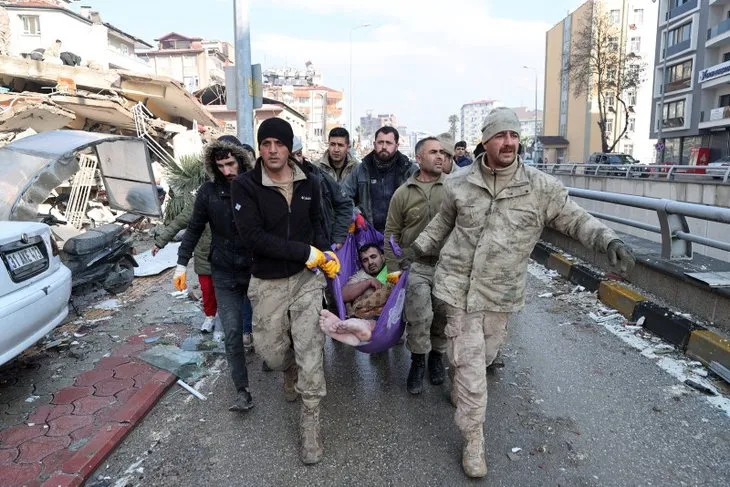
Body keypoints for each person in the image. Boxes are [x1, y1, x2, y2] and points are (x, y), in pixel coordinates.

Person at [406, 107, 636, 478]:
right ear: (485, 140)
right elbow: (442, 223)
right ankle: (473, 440)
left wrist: (608, 239)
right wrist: (418, 248)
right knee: (470, 368)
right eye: (501, 135)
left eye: (514, 136)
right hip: (458, 288)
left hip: (501, 291)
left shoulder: (540, 188)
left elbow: (575, 218)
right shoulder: (458, 183)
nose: (509, 142)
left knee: (486, 354)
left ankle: (461, 376)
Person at [231, 118, 339, 465]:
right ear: (259, 148)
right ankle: (288, 370)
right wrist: (305, 251)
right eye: (266, 144)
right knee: (272, 353)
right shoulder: (245, 186)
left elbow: (318, 223)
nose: (273, 150)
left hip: (307, 281)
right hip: (267, 282)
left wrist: (326, 250)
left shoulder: (311, 181)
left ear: (290, 147)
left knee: (311, 349)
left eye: (279, 143)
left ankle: (311, 423)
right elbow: (253, 237)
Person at [173, 136, 255, 412]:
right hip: (224, 271)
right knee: (232, 333)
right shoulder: (208, 192)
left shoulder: (257, 185)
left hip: (257, 270)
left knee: (269, 331)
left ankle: (276, 359)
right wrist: (181, 263)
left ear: (241, 161)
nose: (227, 171)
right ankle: (242, 391)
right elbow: (194, 227)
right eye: (220, 165)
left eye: (231, 164)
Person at [384, 137, 448, 395]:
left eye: (442, 152)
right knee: (419, 316)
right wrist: (392, 269)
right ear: (419, 158)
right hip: (416, 266)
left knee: (442, 315)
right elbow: (391, 232)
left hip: (447, 266)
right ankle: (418, 361)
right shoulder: (403, 193)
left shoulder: (453, 189)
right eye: (433, 152)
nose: (440, 156)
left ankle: (436, 358)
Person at [341, 126, 417, 233]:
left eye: (389, 143)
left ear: (397, 146)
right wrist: (355, 214)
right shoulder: (361, 169)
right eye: (380, 142)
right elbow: (343, 196)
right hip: (368, 233)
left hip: (401, 234)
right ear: (374, 144)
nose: (384, 146)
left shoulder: (409, 170)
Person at [320, 244, 400, 346]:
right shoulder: (361, 275)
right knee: (364, 293)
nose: (370, 262)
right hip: (368, 316)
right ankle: (362, 329)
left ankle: (364, 329)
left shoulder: (392, 269)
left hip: (391, 318)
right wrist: (368, 282)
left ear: (383, 257)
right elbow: (343, 295)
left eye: (373, 257)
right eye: (365, 260)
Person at [292, 136, 353, 249]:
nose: (297, 160)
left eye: (299, 154)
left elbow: (345, 204)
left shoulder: (318, 176)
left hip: (321, 247)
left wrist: (338, 238)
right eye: (292, 156)